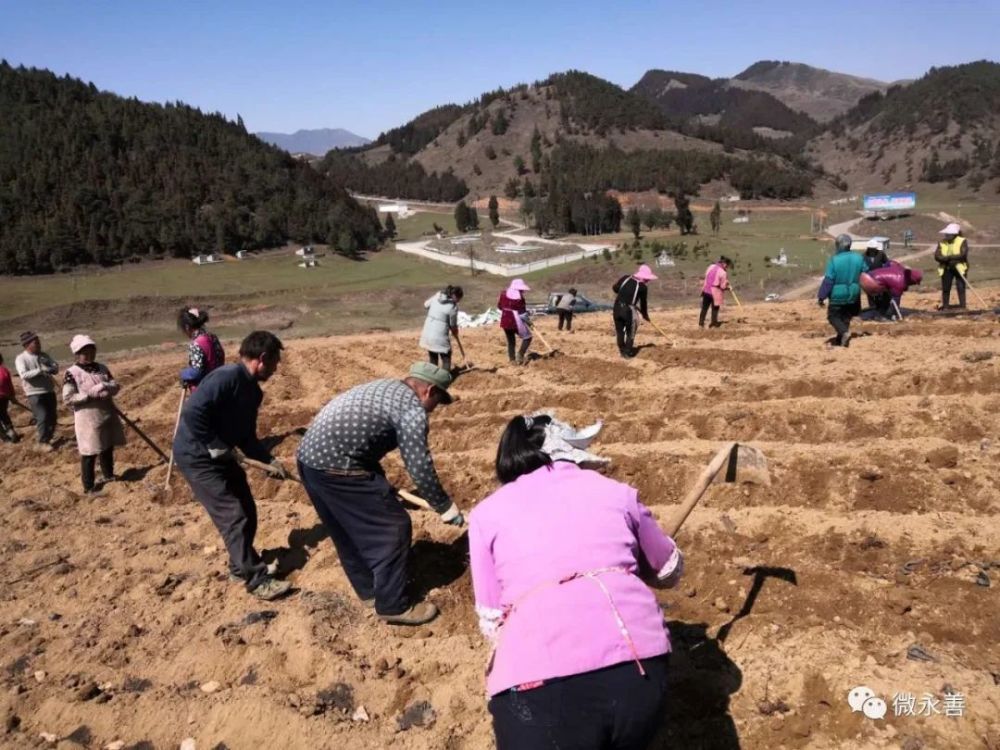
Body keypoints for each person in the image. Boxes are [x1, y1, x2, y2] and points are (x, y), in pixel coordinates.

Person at [469, 413, 683, 749]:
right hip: (638, 671)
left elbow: (491, 618)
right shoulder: (619, 493)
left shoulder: (485, 514)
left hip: (536, 692)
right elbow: (669, 570)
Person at [297, 362, 463, 626]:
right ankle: (393, 605)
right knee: (394, 527)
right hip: (337, 467)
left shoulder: (385, 387)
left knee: (346, 530)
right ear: (428, 391)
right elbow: (419, 465)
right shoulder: (412, 409)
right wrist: (444, 505)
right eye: (438, 400)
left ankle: (369, 591)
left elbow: (361, 439)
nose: (435, 409)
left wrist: (377, 480)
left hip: (309, 459)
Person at [172, 330, 291, 601]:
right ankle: (256, 579)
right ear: (262, 358)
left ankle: (240, 567)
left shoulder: (253, 393)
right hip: (197, 456)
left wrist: (269, 461)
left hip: (221, 455)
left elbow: (246, 436)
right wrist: (215, 444)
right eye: (274, 362)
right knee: (233, 515)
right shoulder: (226, 378)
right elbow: (192, 413)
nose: (275, 369)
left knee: (247, 508)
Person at [61, 335, 126, 494]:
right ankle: (88, 487)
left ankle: (108, 475)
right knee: (89, 452)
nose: (89, 355)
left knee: (107, 446)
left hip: (106, 412)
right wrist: (89, 395)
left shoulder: (102, 368)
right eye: (85, 352)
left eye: (92, 351)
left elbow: (115, 385)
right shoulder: (72, 373)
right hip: (87, 417)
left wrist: (107, 388)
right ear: (77, 354)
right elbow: (68, 398)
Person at [818, 234, 866, 347]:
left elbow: (828, 280)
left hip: (838, 295)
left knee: (833, 316)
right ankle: (841, 340)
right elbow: (866, 272)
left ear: (838, 245)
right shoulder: (858, 258)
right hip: (854, 294)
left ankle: (844, 333)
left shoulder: (835, 260)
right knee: (846, 316)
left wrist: (821, 296)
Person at [14, 331, 59, 450]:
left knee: (53, 416)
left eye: (38, 341)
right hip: (34, 393)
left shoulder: (44, 355)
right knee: (42, 416)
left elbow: (55, 367)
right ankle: (42, 442)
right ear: (27, 344)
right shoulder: (21, 358)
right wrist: (40, 370)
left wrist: (51, 368)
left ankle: (48, 437)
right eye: (36, 342)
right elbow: (23, 374)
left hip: (49, 390)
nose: (39, 344)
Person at [613, 264, 657, 358]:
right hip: (628, 310)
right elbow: (643, 303)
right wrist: (645, 315)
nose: (648, 280)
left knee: (619, 331)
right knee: (631, 331)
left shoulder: (625, 278)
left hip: (616, 307)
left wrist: (623, 293)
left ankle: (622, 350)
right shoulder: (642, 287)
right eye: (647, 279)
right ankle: (628, 352)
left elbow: (615, 288)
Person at [178, 307, 226, 389]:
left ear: (187, 327)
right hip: (218, 385)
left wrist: (184, 374)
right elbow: (221, 358)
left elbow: (196, 372)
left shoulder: (196, 344)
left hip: (204, 391)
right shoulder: (212, 337)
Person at [419, 285, 464, 371]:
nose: (458, 301)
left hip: (428, 334)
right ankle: (445, 377)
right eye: (459, 299)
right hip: (439, 337)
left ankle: (432, 376)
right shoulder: (452, 307)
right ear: (455, 296)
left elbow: (425, 305)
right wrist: (455, 331)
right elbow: (453, 325)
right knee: (446, 356)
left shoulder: (437, 296)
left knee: (433, 356)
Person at [934, 223, 969, 310]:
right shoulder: (942, 243)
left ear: (954, 234)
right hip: (946, 267)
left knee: (961, 287)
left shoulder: (962, 241)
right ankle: (945, 306)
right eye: (946, 234)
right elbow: (937, 256)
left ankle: (962, 306)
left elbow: (963, 254)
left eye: (949, 234)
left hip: (959, 267)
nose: (946, 235)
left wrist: (952, 259)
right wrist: (948, 260)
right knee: (946, 288)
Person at [498, 279, 532, 365]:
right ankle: (520, 354)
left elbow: (499, 306)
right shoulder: (519, 299)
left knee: (511, 341)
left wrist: (507, 309)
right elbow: (523, 314)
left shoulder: (503, 294)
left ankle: (512, 360)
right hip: (515, 321)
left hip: (505, 319)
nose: (522, 291)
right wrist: (529, 322)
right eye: (521, 290)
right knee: (528, 337)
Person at [699, 256, 731, 328]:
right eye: (727, 266)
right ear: (725, 264)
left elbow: (706, 276)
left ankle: (701, 324)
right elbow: (723, 286)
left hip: (706, 290)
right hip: (715, 292)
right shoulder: (723, 273)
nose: (727, 268)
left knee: (704, 308)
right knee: (715, 308)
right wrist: (727, 287)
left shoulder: (711, 266)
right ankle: (713, 324)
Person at [0, 353, 20, 443]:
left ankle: (5, 437)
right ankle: (11, 430)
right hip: (5, 397)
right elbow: (10, 385)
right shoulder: (4, 370)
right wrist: (13, 396)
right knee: (4, 414)